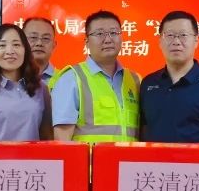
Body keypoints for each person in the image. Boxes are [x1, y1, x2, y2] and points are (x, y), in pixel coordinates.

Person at [139, 10, 199, 144]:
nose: (176, 41)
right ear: (160, 41)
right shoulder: (148, 83)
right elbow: (143, 132)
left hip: (198, 158)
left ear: (196, 40)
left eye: (183, 35)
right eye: (169, 35)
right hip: (153, 158)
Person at [52, 10, 139, 142]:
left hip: (129, 156)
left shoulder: (135, 80)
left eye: (114, 33)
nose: (108, 39)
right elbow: (62, 138)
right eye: (99, 34)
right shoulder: (72, 78)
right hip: (89, 156)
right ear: (87, 42)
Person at [23, 16, 62, 87]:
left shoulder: (64, 79)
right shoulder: (10, 77)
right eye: (33, 37)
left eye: (45, 38)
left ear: (54, 45)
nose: (39, 43)